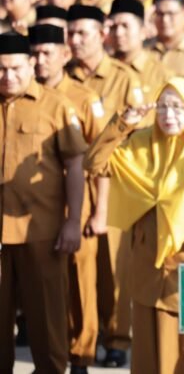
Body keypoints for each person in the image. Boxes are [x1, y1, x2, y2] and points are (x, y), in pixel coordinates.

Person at [84, 77, 184, 373]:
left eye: (179, 108)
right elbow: (93, 164)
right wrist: (122, 125)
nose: (170, 116)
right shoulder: (140, 144)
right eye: (164, 107)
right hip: (148, 272)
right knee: (147, 359)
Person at [0, 32, 88, 374]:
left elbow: (75, 165)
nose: (8, 76)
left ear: (30, 65)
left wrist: (72, 221)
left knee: (47, 319)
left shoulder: (56, 105)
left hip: (42, 230)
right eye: (2, 69)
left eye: (16, 68)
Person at [65, 3, 144, 368]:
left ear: (102, 34)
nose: (75, 40)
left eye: (83, 32)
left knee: (113, 268)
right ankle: (82, 340)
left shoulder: (124, 77)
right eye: (71, 33)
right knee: (78, 269)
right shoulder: (64, 77)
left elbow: (135, 134)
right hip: (73, 183)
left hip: (114, 183)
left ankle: (116, 339)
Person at [29, 23, 106, 373]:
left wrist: (97, 210)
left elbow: (102, 160)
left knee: (78, 281)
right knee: (46, 287)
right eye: (34, 53)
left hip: (78, 200)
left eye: (46, 52)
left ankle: (82, 353)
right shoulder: (17, 96)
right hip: (35, 209)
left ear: (64, 55)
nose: (39, 60)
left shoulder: (83, 97)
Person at [109, 0, 172, 105]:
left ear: (143, 31)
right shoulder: (101, 71)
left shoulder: (162, 76)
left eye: (125, 26)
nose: (118, 33)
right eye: (113, 27)